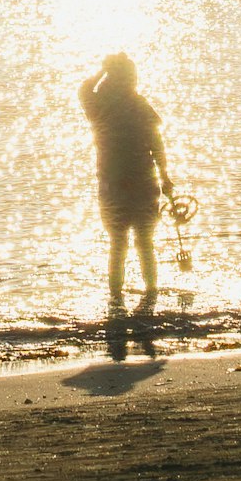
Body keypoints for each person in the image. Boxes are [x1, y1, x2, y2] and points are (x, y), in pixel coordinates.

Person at [77, 54, 175, 312]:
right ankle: (150, 295)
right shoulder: (139, 105)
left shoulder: (98, 106)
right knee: (145, 242)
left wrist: (102, 70)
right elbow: (157, 144)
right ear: (131, 77)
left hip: (113, 185)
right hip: (144, 183)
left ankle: (116, 301)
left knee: (117, 243)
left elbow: (84, 89)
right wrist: (165, 176)